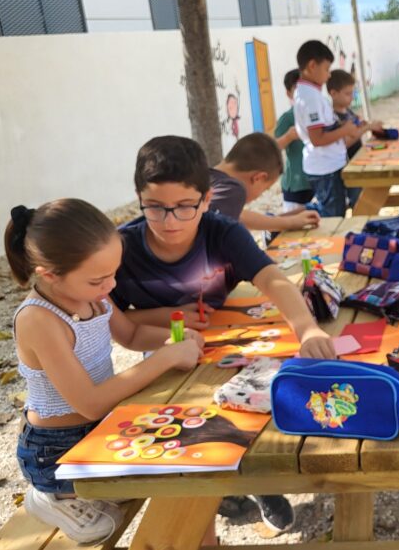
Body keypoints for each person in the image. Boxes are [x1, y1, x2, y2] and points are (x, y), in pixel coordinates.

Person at [111, 135, 339, 531]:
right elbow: (117, 324)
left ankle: (258, 483)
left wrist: (307, 329)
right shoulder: (119, 249)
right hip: (162, 353)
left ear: (206, 199)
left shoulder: (223, 232)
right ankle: (210, 512)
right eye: (155, 207)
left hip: (232, 343)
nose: (170, 221)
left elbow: (273, 280)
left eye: (184, 206)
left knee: (254, 419)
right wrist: (166, 319)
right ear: (138, 199)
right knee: (188, 448)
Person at [5, 199, 202, 544]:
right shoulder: (38, 319)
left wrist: (175, 337)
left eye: (114, 273)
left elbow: (132, 334)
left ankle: (92, 490)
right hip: (55, 452)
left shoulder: (93, 295)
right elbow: (90, 403)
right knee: (104, 526)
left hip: (101, 428)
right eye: (99, 279)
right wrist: (166, 358)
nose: (111, 286)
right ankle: (49, 495)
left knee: (174, 467)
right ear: (49, 275)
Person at [292, 40, 361, 217]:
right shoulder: (310, 97)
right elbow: (317, 139)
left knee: (331, 210)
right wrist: (345, 130)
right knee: (332, 216)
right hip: (325, 168)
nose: (329, 75)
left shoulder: (310, 93)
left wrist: (342, 126)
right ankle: (280, 222)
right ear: (312, 66)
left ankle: (281, 220)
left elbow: (325, 129)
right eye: (326, 69)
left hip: (329, 164)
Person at [209, 132, 320, 231]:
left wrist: (290, 222)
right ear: (258, 178)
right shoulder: (233, 190)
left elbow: (240, 217)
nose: (260, 196)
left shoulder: (209, 179)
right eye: (265, 189)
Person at [326, 69, 382, 209]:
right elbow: (344, 143)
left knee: (364, 196)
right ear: (333, 93)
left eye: (353, 93)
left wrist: (363, 125)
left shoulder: (348, 111)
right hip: (347, 166)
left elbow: (356, 128)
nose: (352, 97)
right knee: (358, 202)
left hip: (357, 162)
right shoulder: (333, 117)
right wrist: (366, 128)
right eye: (348, 94)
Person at [275, 69, 315, 213]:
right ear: (289, 93)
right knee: (294, 220)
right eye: (298, 88)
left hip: (317, 178)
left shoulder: (317, 113)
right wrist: (288, 137)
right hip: (297, 183)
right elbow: (273, 149)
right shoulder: (287, 118)